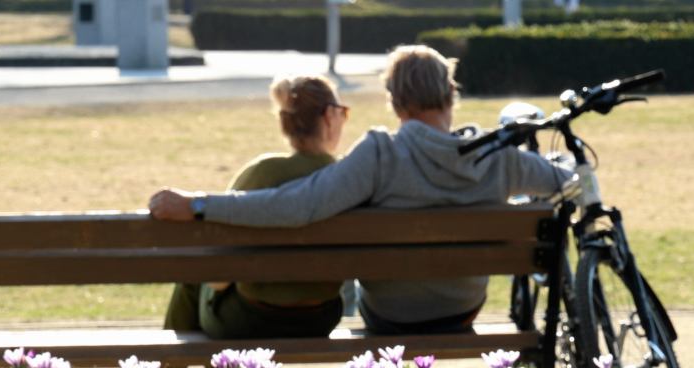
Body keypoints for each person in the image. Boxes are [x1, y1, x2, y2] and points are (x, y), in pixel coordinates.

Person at [149, 45, 575, 335]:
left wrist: (200, 204)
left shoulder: (379, 155)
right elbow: (568, 183)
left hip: (390, 319)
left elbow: (299, 205)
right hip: (461, 312)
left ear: (394, 102)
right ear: (451, 95)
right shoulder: (494, 155)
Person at [162, 75, 351, 338]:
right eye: (343, 112)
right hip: (320, 319)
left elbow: (218, 279)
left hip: (249, 320)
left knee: (193, 274)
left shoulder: (261, 173)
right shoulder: (347, 177)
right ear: (330, 116)